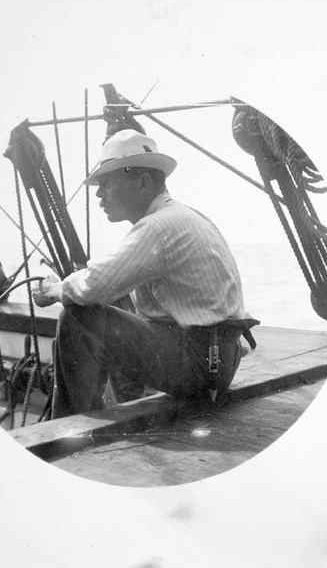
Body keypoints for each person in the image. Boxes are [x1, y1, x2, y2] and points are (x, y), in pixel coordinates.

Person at [33, 129, 259, 418]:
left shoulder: (156, 227)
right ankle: (114, 405)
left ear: (142, 181)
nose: (99, 194)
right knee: (113, 302)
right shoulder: (185, 216)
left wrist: (55, 290)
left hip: (200, 366)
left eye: (107, 183)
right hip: (219, 359)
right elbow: (112, 279)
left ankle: (70, 428)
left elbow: (95, 285)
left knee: (78, 318)